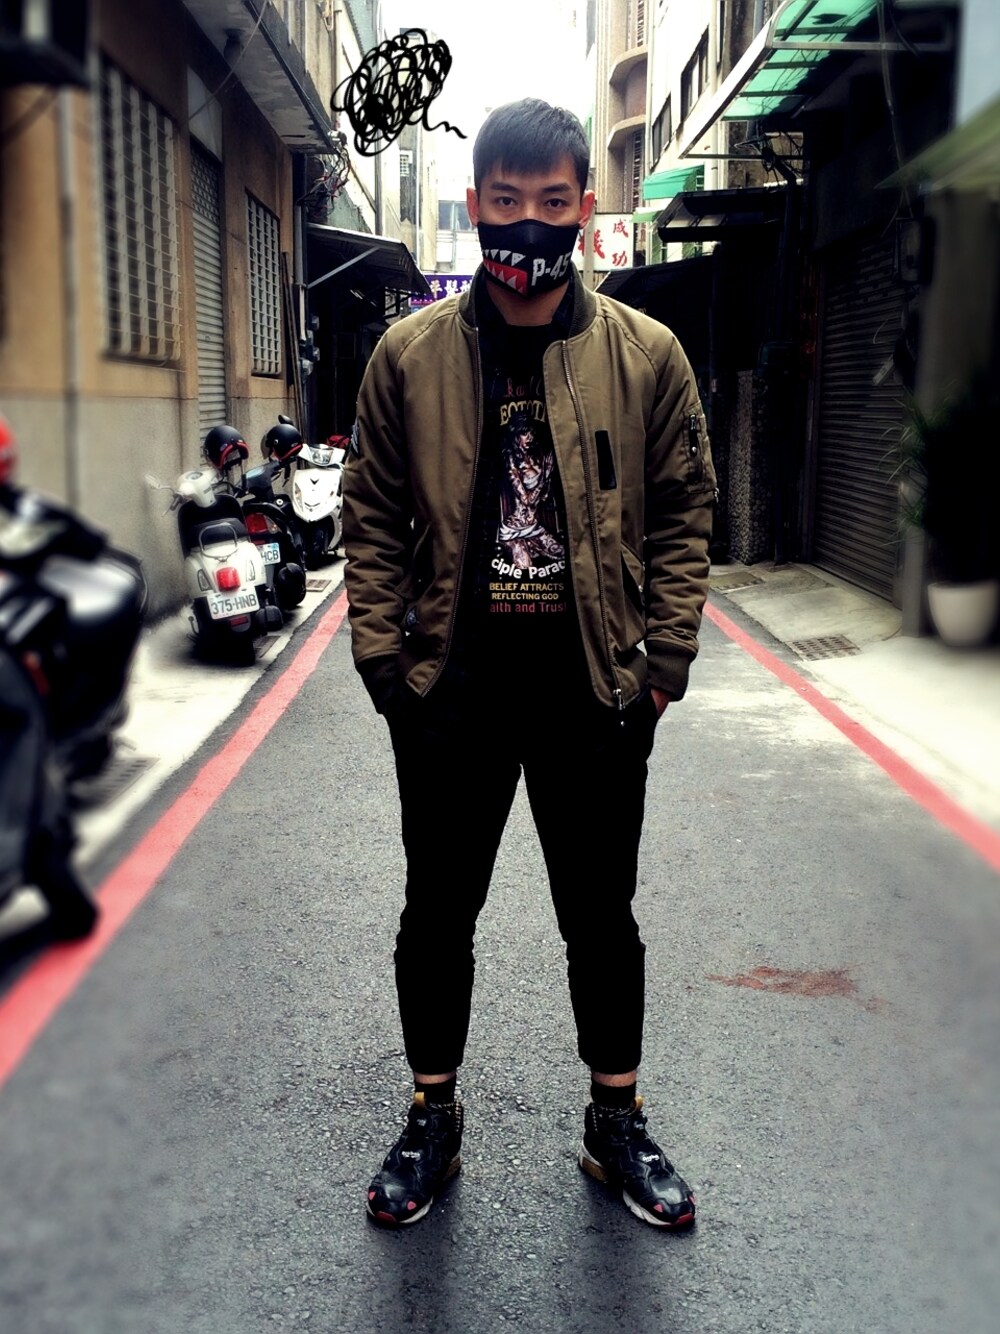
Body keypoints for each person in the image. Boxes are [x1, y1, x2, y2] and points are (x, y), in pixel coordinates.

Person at [341, 98, 716, 1230]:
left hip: (592, 688)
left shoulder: (645, 354)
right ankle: (431, 1114)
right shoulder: (408, 356)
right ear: (475, 205)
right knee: (436, 912)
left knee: (601, 918)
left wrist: (663, 662)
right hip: (451, 690)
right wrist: (385, 663)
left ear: (585, 209)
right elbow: (370, 514)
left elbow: (686, 511)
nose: (530, 223)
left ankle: (615, 1121)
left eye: (553, 201)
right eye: (507, 200)